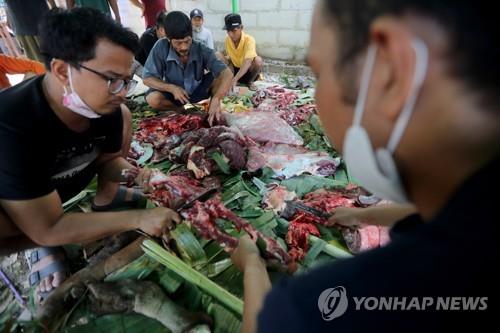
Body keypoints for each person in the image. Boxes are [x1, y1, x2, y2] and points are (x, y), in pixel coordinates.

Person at [231, 0, 498, 332]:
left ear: (389, 69)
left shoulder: (326, 309)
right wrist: (364, 214)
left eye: (319, 73)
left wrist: (253, 265)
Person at [0, 7, 179, 302]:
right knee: (28, 227)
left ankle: (105, 200)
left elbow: (108, 161)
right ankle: (38, 246)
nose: (122, 90)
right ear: (61, 71)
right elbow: (50, 226)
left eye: (126, 79)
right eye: (112, 79)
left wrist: (138, 174)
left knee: (123, 114)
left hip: (57, 185)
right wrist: (138, 219)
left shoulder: (103, 104)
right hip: (22, 205)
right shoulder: (11, 126)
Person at [143, 11, 233, 124]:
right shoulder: (161, 47)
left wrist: (216, 98)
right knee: (153, 98)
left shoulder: (200, 48)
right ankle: (182, 111)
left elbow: (227, 73)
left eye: (187, 41)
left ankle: (211, 107)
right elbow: (147, 78)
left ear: (191, 36)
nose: (184, 47)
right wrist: (171, 88)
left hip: (198, 92)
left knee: (219, 76)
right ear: (168, 39)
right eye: (178, 43)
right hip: (175, 96)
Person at [219, 13, 262, 91]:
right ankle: (229, 80)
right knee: (218, 55)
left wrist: (235, 79)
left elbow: (248, 61)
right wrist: (231, 78)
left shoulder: (249, 40)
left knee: (258, 61)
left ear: (241, 28)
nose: (231, 34)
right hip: (235, 70)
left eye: (234, 30)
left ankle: (250, 82)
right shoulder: (227, 40)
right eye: (228, 31)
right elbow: (230, 59)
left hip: (248, 72)